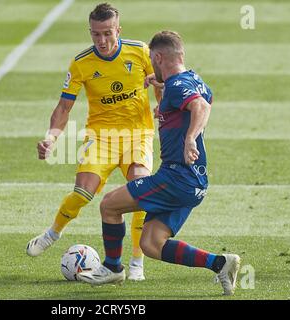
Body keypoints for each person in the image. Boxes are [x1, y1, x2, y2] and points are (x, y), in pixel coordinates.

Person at [77, 30, 241, 296]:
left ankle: (112, 268)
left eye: (152, 61)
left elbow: (201, 106)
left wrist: (189, 138)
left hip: (175, 177)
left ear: (158, 56)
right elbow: (204, 98)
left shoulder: (177, 87)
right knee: (152, 244)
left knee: (109, 205)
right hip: (195, 183)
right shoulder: (193, 79)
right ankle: (221, 263)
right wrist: (165, 100)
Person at [26, 3, 162, 281]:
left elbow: (163, 83)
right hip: (101, 137)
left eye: (107, 33)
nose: (102, 41)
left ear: (118, 30)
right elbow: (64, 107)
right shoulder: (81, 63)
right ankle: (53, 233)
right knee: (83, 192)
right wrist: (51, 138)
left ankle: (136, 262)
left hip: (138, 135)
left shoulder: (140, 52)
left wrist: (162, 102)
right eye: (96, 34)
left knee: (141, 195)